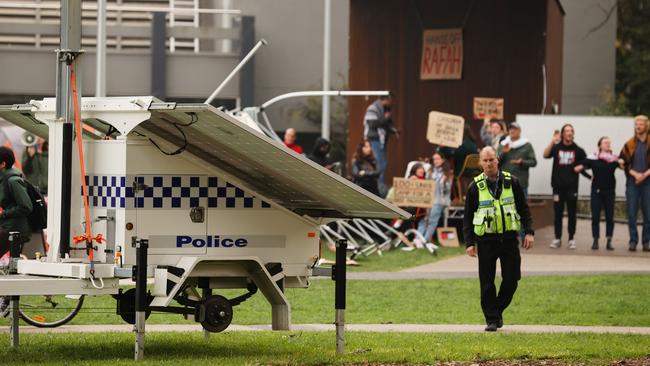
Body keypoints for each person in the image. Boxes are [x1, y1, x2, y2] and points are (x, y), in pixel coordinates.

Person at [463, 146, 534, 332]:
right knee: (486, 282)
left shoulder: (513, 181)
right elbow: (467, 217)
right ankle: (492, 320)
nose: (488, 164)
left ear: (497, 160)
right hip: (486, 241)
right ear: (480, 162)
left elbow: (523, 208)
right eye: (484, 160)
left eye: (491, 160)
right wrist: (469, 243)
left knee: (512, 280)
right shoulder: (474, 187)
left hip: (509, 239)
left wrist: (529, 231)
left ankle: (497, 309)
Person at [543, 124, 590, 249]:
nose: (569, 133)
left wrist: (582, 166)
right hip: (558, 187)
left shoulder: (578, 150)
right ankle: (557, 238)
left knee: (571, 213)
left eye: (571, 131)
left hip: (572, 187)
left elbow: (588, 163)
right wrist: (552, 141)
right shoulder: (557, 147)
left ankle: (571, 238)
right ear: (563, 134)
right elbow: (545, 154)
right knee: (558, 213)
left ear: (573, 134)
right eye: (567, 131)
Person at [575, 137, 619, 251]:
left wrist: (623, 163)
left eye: (609, 142)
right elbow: (579, 167)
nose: (608, 144)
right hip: (596, 191)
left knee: (610, 217)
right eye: (605, 142)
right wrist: (589, 176)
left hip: (610, 191)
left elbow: (624, 165)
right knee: (595, 216)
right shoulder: (593, 157)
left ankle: (609, 240)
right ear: (600, 145)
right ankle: (595, 240)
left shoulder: (614, 159)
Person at [618, 115, 650, 252]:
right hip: (632, 183)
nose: (638, 126)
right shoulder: (629, 144)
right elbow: (622, 162)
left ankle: (646, 242)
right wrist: (636, 174)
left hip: (648, 182)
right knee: (631, 213)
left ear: (647, 126)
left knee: (648, 214)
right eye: (636, 124)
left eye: (641, 124)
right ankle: (633, 241)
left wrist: (644, 175)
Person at [0, 146, 33, 256]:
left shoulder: (13, 181)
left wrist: (4, 213)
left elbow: (26, 206)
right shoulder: (3, 179)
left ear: (3, 164)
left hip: (15, 228)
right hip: (6, 225)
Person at [363, 94, 398, 192]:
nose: (391, 102)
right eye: (390, 99)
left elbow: (387, 124)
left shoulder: (384, 108)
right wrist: (385, 117)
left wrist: (394, 130)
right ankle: (379, 186)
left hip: (381, 139)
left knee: (383, 163)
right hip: (375, 138)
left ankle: (380, 184)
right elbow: (372, 124)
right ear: (385, 99)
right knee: (380, 163)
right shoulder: (373, 108)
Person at [418, 152, 453, 242]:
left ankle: (424, 241)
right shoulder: (430, 171)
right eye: (434, 159)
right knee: (424, 219)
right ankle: (418, 239)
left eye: (437, 159)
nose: (436, 161)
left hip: (440, 200)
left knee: (432, 220)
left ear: (442, 160)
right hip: (429, 200)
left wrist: (444, 182)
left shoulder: (448, 173)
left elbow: (447, 191)